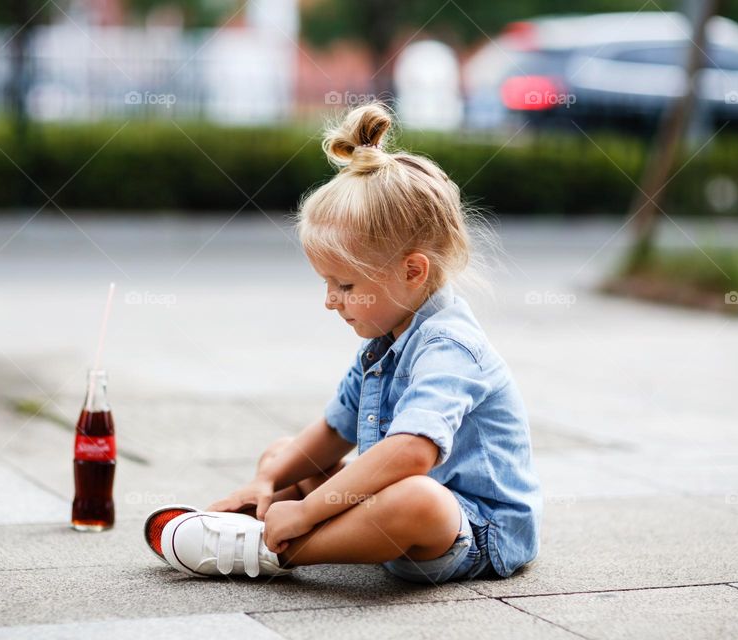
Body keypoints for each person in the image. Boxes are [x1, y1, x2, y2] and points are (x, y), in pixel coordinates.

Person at [143, 101, 542, 584]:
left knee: (418, 498)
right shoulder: (384, 339)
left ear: (412, 271)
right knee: (284, 452)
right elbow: (336, 429)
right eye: (327, 284)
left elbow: (414, 453)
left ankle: (274, 550)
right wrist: (266, 480)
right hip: (391, 519)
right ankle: (259, 513)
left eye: (346, 286)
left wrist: (310, 510)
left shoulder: (450, 346)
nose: (331, 301)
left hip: (473, 533)